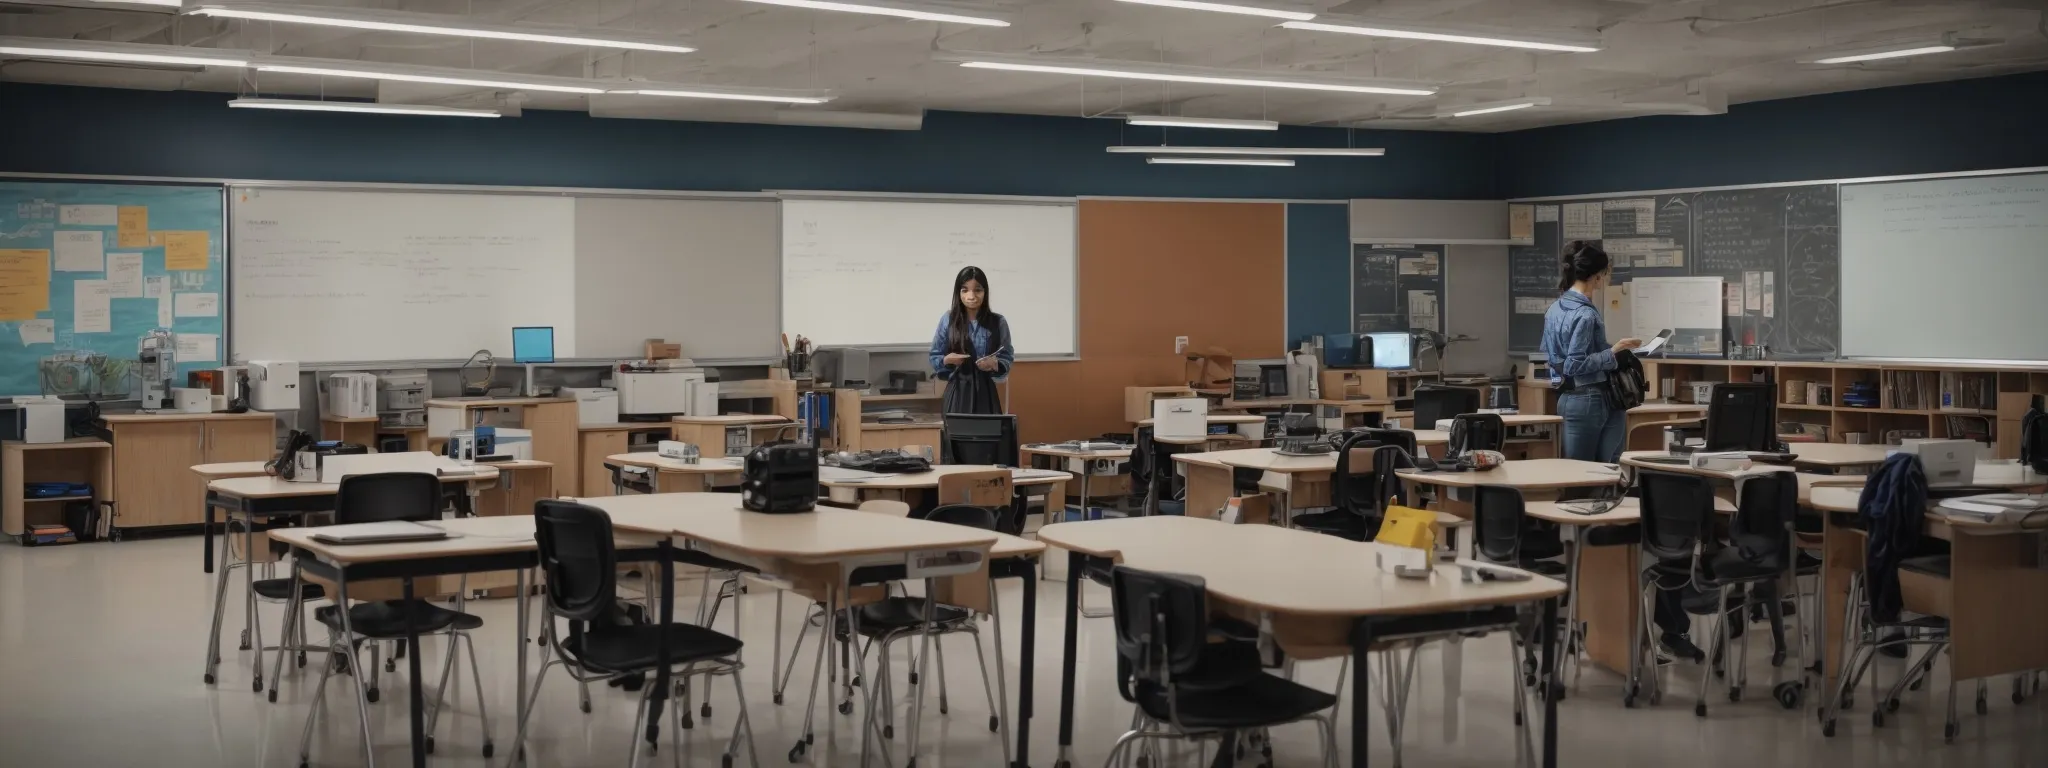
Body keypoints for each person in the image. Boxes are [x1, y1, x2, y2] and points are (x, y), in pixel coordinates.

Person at [1541, 242, 1703, 660]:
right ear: (1598, 276)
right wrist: (1616, 351)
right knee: (1603, 490)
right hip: (1594, 401)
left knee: (1577, 492)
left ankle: (1584, 601)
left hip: (1570, 401)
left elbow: (1557, 367)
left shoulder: (1556, 308)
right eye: (1607, 273)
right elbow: (1578, 362)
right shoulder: (1585, 312)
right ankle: (1602, 595)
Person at [929, 266, 1013, 416]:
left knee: (987, 437)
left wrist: (994, 364)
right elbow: (935, 356)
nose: (971, 296)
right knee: (956, 437)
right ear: (958, 292)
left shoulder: (998, 321)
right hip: (957, 393)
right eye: (965, 290)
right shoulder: (948, 319)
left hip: (985, 393)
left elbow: (1006, 358)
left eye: (978, 290)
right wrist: (947, 360)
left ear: (985, 292)